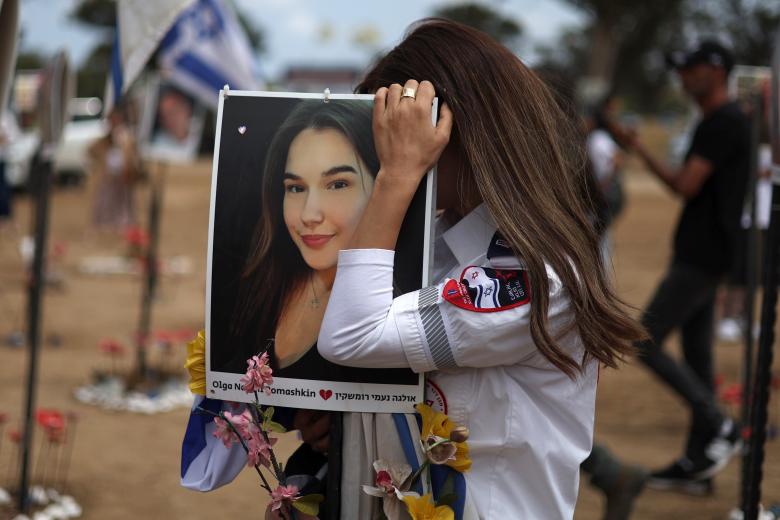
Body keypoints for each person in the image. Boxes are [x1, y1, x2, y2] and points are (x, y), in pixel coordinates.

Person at [183, 19, 646, 519]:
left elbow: (352, 338)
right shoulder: (430, 252)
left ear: (455, 134)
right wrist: (330, 421)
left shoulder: (538, 278)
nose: (382, 157)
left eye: (394, 138)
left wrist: (399, 176)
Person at [620, 41, 748, 493]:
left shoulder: (723, 122)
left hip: (702, 256)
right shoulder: (722, 121)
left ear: (716, 72)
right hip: (707, 254)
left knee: (645, 341)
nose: (682, 78)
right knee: (697, 356)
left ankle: (720, 424)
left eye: (690, 69)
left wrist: (638, 148)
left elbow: (685, 185)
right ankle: (698, 467)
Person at [87, 107, 140, 231]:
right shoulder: (106, 138)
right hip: (108, 175)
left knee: (123, 201)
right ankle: (105, 223)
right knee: (106, 200)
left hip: (123, 175)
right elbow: (91, 151)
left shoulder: (126, 137)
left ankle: (123, 222)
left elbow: (132, 154)